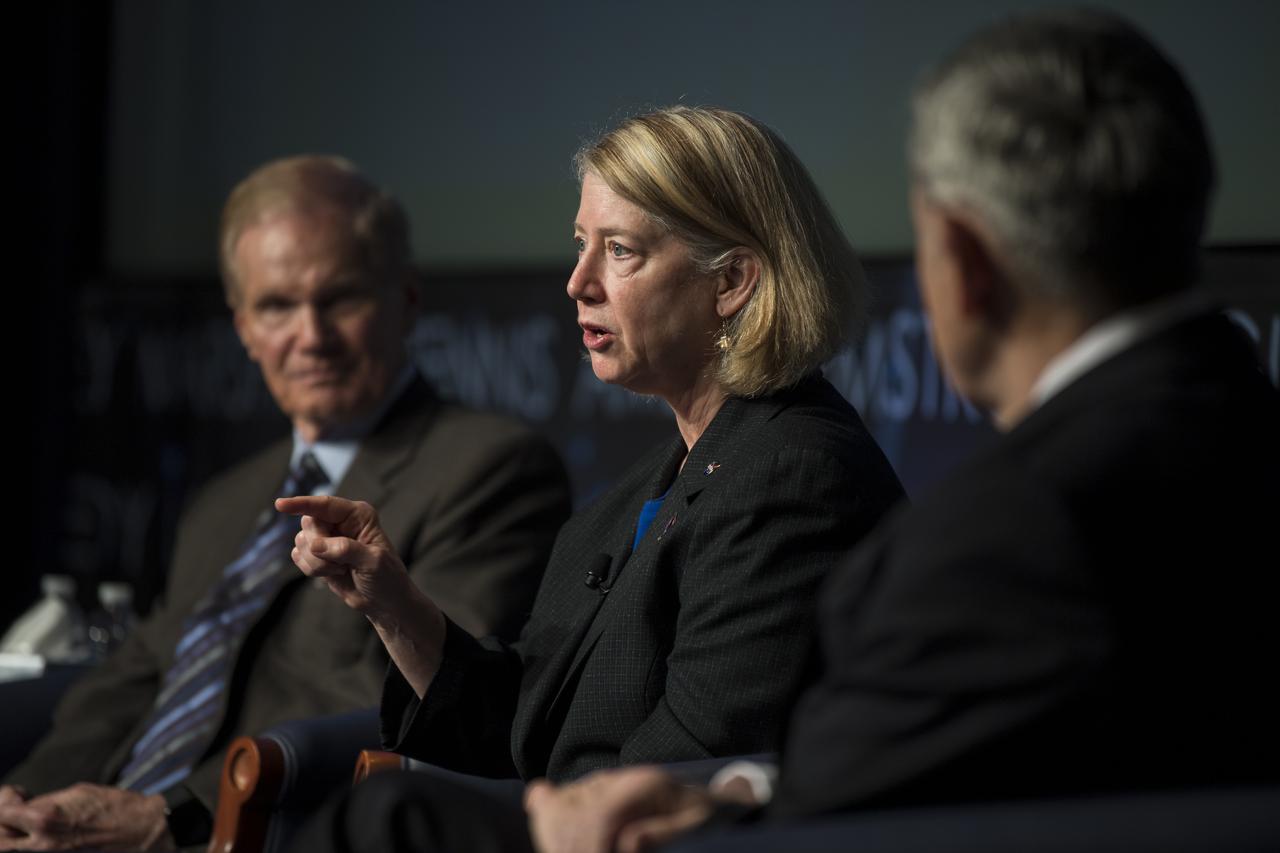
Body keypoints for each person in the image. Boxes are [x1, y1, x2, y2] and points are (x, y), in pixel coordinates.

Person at [523, 9, 1280, 852]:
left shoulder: (1008, 535)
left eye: (619, 249)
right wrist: (746, 788)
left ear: (962, 257)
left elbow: (854, 804)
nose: (579, 281)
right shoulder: (1241, 427)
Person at [279, 106, 905, 852]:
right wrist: (395, 606)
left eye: (621, 252)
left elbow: (686, 770)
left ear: (732, 280)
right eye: (582, 246)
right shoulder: (654, 481)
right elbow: (523, 731)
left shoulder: (795, 478)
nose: (578, 282)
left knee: (385, 822)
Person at [0, 156, 571, 852]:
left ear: (408, 300)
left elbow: (421, 702)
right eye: (276, 306)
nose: (311, 336)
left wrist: (171, 815)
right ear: (242, 326)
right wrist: (23, 801)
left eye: (341, 298)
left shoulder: (490, 469)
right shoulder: (225, 498)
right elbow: (137, 675)